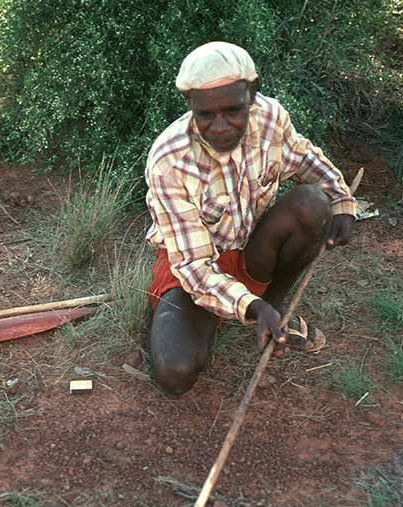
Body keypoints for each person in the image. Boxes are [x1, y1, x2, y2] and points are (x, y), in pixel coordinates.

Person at [145, 41, 357, 395]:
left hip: (252, 251)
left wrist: (341, 202)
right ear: (190, 105)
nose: (220, 126)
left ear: (253, 94)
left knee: (312, 204)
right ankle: (234, 312)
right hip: (190, 269)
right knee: (174, 373)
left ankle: (271, 308)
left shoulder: (270, 118)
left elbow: (306, 160)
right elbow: (194, 266)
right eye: (205, 115)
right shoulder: (170, 160)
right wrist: (248, 304)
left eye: (233, 110)